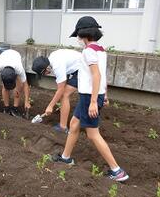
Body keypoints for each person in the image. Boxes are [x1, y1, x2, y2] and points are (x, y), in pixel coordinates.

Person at [52, 16, 129, 182]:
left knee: (93, 134)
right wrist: (104, 95)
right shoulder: (100, 50)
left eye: (78, 36)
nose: (78, 39)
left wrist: (94, 101)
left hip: (89, 97)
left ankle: (117, 171)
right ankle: (66, 157)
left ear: (84, 34)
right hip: (92, 95)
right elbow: (102, 75)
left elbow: (97, 74)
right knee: (74, 125)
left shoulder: (88, 51)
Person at [32, 49, 82, 133]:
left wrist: (50, 106)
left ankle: (63, 127)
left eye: (44, 73)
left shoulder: (57, 65)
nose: (45, 75)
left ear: (47, 68)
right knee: (63, 95)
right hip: (77, 68)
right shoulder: (52, 57)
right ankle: (63, 123)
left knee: (64, 95)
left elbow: (61, 88)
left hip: (83, 69)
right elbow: (62, 82)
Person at [0, 49, 31, 117]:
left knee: (19, 86)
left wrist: (26, 101)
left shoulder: (19, 69)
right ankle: (6, 108)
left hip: (15, 57)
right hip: (4, 57)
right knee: (5, 86)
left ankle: (15, 108)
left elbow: (25, 85)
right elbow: (4, 78)